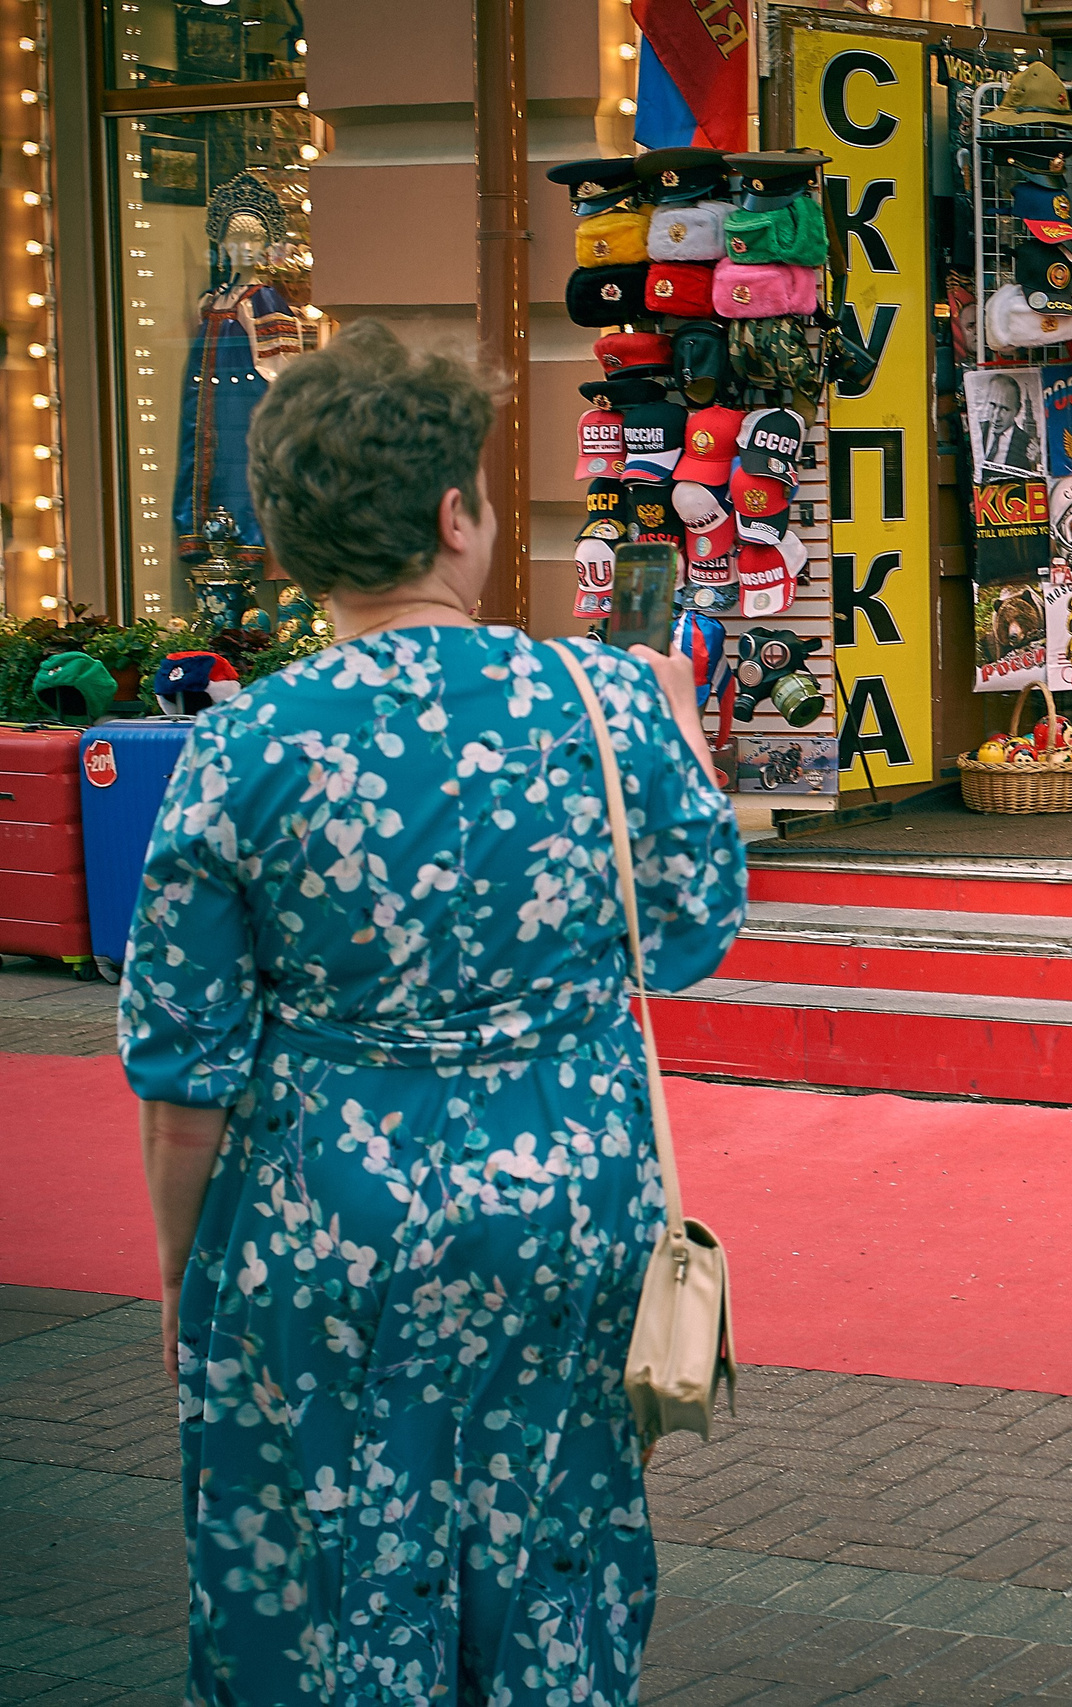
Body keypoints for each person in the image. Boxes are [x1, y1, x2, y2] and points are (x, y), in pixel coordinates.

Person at [119, 320, 745, 1704]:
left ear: (291, 544)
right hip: (566, 1213)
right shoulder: (604, 705)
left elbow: (184, 1068)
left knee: (331, 1549)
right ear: (458, 516)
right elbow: (696, 935)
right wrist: (686, 744)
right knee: (551, 1548)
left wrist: (182, 1267)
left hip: (321, 1217)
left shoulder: (243, 742)